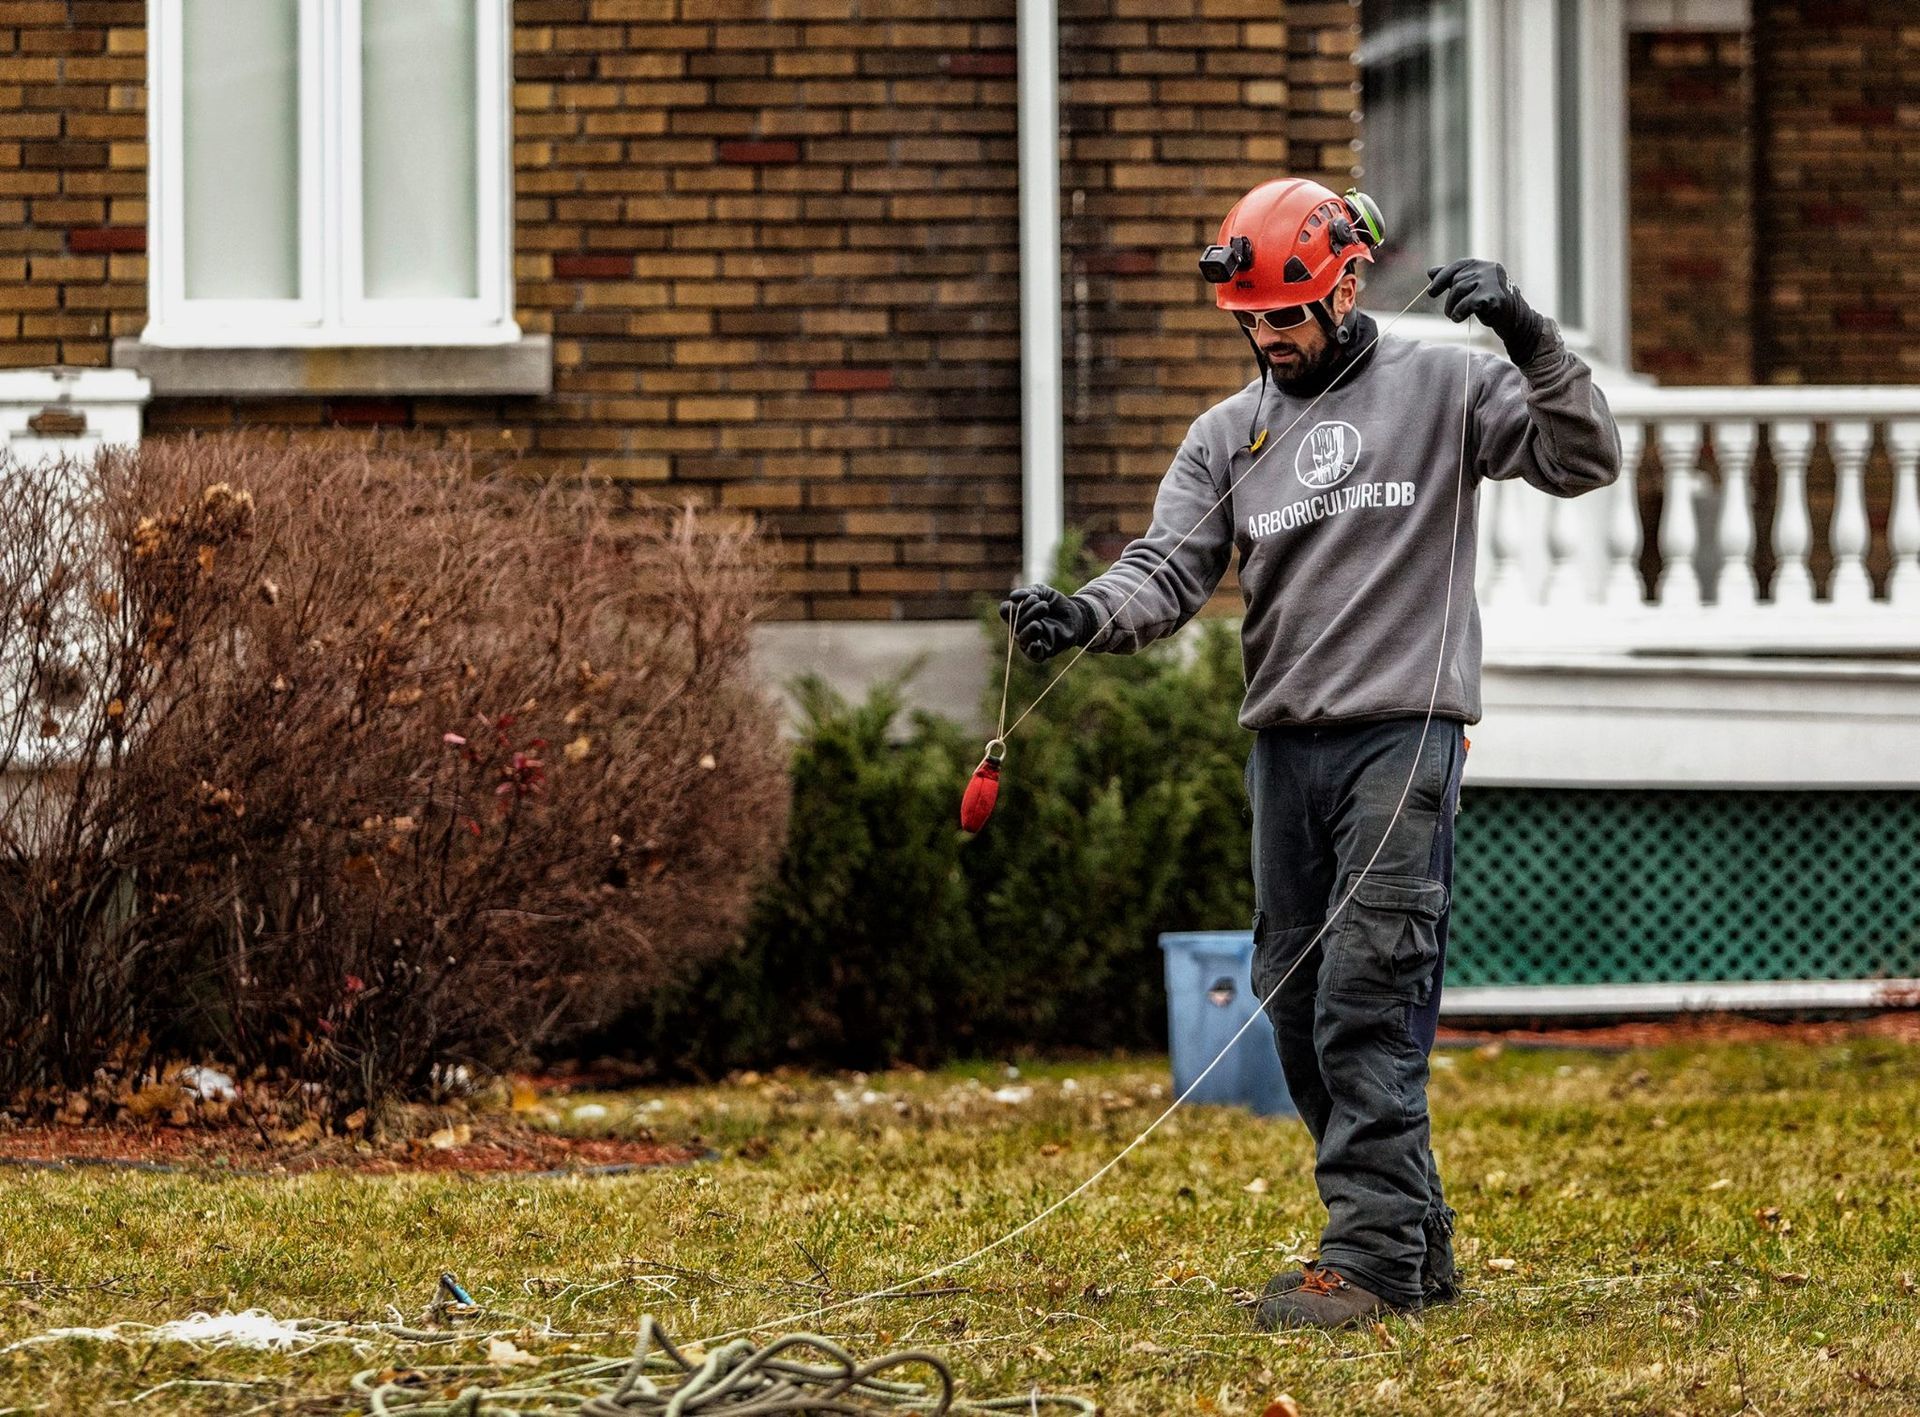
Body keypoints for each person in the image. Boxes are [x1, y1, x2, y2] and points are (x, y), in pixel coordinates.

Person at [999, 177, 1620, 1329]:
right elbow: (1165, 569)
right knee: (1293, 1003)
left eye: (1286, 315)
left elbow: (1583, 457)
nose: (1268, 337)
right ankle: (1414, 1242)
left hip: (1403, 731)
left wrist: (1527, 333)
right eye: (1249, 320)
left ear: (1345, 281)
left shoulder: (1446, 383)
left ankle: (1370, 1254)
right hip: (1285, 747)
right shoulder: (1227, 435)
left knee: (1366, 989)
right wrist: (1082, 615)